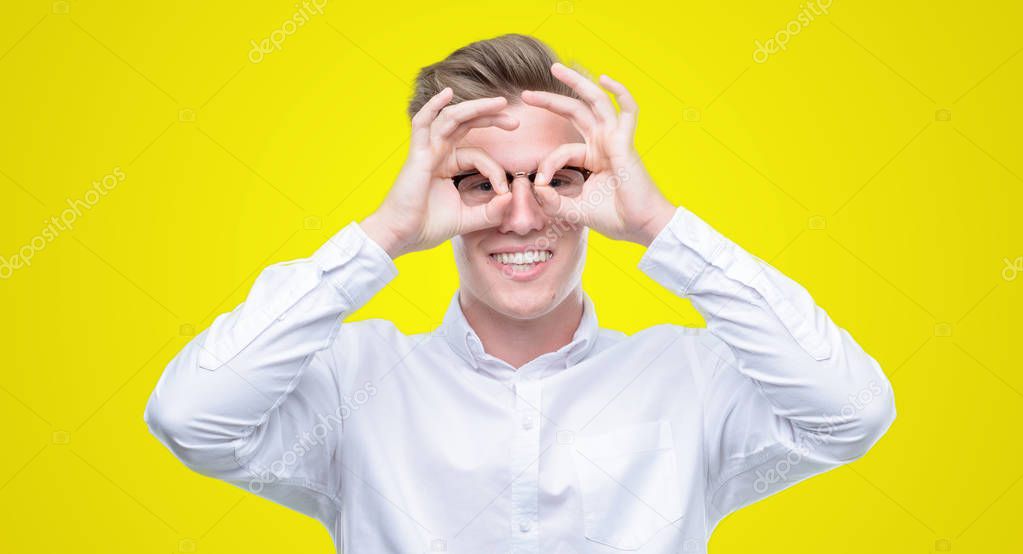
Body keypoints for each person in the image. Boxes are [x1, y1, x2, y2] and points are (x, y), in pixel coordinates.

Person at [144, 33, 896, 553]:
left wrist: (658, 226)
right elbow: (190, 419)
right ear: (439, 191)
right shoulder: (353, 379)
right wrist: (384, 235)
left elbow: (850, 412)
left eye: (556, 178)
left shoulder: (686, 378)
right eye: (480, 182)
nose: (521, 213)